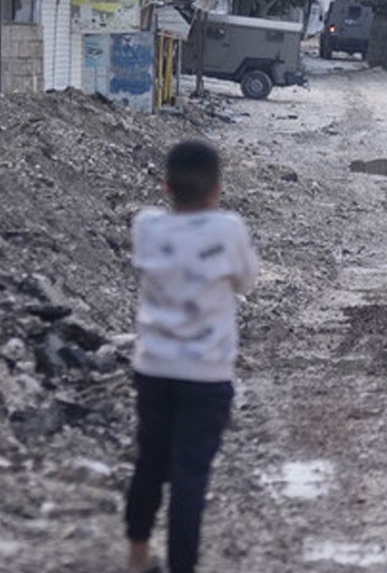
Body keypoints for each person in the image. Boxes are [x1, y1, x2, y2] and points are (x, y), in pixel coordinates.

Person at [124, 140, 260, 573]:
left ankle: (137, 557)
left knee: (150, 463)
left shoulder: (146, 226)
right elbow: (246, 282)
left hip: (154, 368)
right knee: (190, 475)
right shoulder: (229, 230)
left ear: (165, 185)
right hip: (206, 374)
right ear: (217, 190)